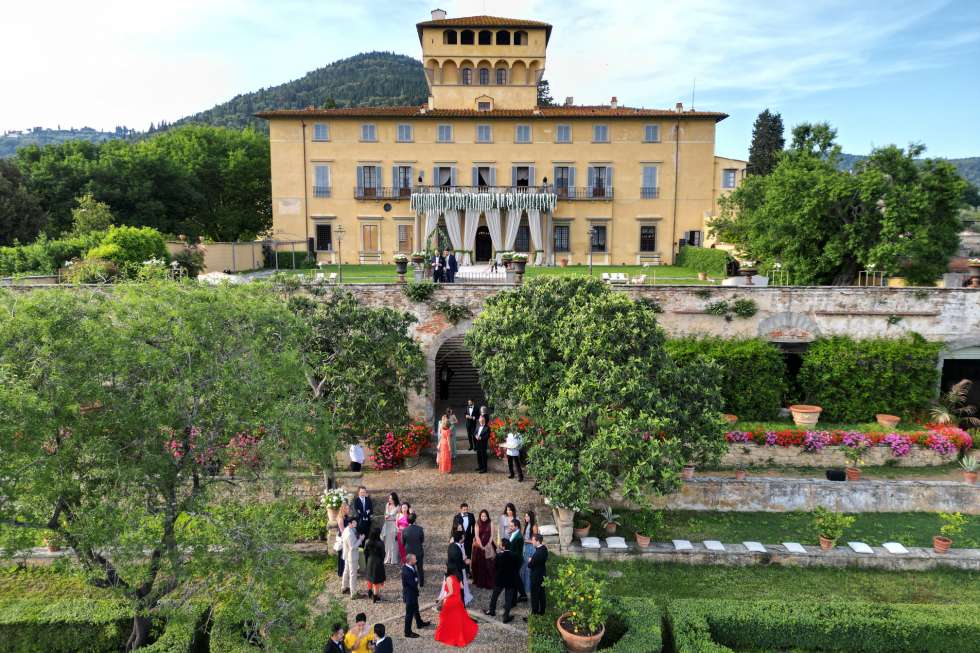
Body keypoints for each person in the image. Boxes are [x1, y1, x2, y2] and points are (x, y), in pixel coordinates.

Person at [434, 570, 479, 647]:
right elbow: (461, 587)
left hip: (451, 601)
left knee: (444, 617)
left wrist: (441, 599)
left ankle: (444, 635)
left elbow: (450, 592)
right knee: (457, 618)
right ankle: (459, 635)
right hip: (458, 600)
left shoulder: (448, 578)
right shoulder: (457, 576)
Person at [484, 534, 519, 623]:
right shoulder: (514, 555)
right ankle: (505, 617)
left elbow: (495, 567)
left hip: (500, 579)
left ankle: (492, 611)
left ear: (503, 547)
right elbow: (517, 567)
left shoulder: (499, 556)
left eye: (500, 544)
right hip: (511, 580)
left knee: (495, 596)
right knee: (508, 599)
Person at [401, 553, 430, 638]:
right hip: (410, 595)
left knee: (416, 609)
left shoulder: (410, 566)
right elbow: (413, 583)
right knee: (409, 614)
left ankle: (419, 623)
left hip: (413, 593)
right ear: (410, 561)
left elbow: (415, 579)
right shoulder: (407, 571)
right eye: (415, 559)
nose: (416, 560)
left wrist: (416, 579)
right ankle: (407, 632)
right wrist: (416, 579)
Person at [470, 509, 496, 590]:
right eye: (482, 516)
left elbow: (492, 535)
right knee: (479, 564)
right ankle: (480, 581)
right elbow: (476, 536)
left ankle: (489, 582)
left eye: (485, 516)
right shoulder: (477, 523)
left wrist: (488, 544)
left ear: (487, 516)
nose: (483, 517)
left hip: (488, 544)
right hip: (479, 545)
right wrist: (481, 546)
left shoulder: (490, 523)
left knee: (489, 564)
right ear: (480, 516)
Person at [526, 532, 549, 618]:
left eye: (533, 540)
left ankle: (534, 613)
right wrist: (533, 560)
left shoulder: (538, 553)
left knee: (535, 595)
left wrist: (530, 560)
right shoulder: (544, 549)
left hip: (536, 576)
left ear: (538, 541)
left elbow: (530, 565)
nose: (532, 542)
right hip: (542, 574)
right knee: (541, 593)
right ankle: (542, 611)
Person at [401, 512, 426, 588]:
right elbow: (422, 540)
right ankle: (421, 583)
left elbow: (403, 542)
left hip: (409, 552)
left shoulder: (404, 530)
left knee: (409, 567)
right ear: (415, 520)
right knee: (420, 568)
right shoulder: (420, 529)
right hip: (418, 551)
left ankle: (411, 581)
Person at [341, 517, 362, 597]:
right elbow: (353, 547)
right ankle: (353, 593)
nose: (355, 523)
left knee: (346, 571)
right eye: (354, 523)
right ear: (350, 524)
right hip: (351, 556)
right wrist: (360, 539)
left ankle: (344, 587)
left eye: (355, 522)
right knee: (353, 574)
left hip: (346, 554)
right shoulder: (349, 534)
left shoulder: (347, 529)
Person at [508, 518, 528, 603]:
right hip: (513, 560)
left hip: (516, 561)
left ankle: (515, 599)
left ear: (516, 526)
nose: (510, 527)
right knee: (517, 579)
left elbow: (518, 553)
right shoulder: (513, 533)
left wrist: (508, 553)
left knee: (515, 579)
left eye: (512, 526)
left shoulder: (519, 537)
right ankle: (523, 595)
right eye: (510, 525)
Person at [364, 528, 386, 603]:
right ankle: (375, 596)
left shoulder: (367, 541)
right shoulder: (381, 543)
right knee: (376, 581)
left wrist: (367, 561)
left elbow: (365, 553)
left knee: (370, 578)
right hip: (378, 563)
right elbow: (383, 554)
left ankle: (370, 592)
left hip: (370, 561)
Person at [519, 511, 537, 598]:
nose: (525, 518)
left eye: (527, 516)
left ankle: (528, 589)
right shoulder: (526, 525)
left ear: (531, 517)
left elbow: (535, 540)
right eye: (525, 516)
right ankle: (523, 588)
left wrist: (526, 541)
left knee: (528, 569)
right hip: (525, 548)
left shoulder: (534, 526)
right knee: (523, 567)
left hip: (531, 548)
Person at [381, 492, 400, 565]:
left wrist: (392, 517)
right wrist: (385, 516)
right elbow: (385, 514)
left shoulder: (398, 507)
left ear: (394, 499)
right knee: (387, 543)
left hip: (393, 524)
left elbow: (398, 517)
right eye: (389, 498)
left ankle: (394, 559)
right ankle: (387, 559)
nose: (390, 500)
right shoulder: (387, 505)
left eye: (391, 498)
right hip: (387, 525)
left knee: (393, 543)